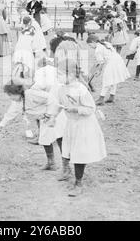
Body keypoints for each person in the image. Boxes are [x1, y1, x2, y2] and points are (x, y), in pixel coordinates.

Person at [48, 40, 107, 196]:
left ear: (71, 74)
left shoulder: (81, 89)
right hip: (72, 124)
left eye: (60, 74)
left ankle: (78, 183)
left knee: (80, 153)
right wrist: (53, 116)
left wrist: (76, 109)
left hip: (84, 125)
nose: (58, 77)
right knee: (70, 151)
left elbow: (90, 108)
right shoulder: (62, 89)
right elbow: (58, 105)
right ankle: (68, 172)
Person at [86, 33, 130, 105]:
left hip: (112, 63)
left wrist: (99, 71)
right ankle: (112, 97)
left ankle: (101, 99)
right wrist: (95, 70)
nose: (90, 47)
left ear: (93, 42)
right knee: (114, 79)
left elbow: (101, 62)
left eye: (90, 45)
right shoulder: (106, 43)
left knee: (107, 80)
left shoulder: (98, 50)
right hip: (118, 60)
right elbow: (99, 62)